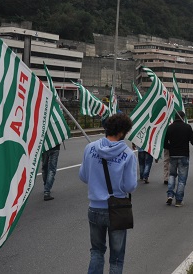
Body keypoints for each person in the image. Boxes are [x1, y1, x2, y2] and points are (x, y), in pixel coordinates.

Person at [79, 112, 138, 274]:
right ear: (121, 132)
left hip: (94, 208)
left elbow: (83, 176)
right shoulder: (127, 154)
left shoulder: (90, 148)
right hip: (117, 210)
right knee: (117, 258)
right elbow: (130, 186)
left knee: (97, 252)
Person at [164, 110, 193, 207]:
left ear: (175, 118)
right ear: (183, 117)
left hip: (173, 155)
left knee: (172, 175)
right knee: (182, 179)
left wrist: (171, 148)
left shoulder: (170, 128)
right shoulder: (187, 127)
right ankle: (178, 200)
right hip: (184, 155)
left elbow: (165, 144)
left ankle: (170, 195)